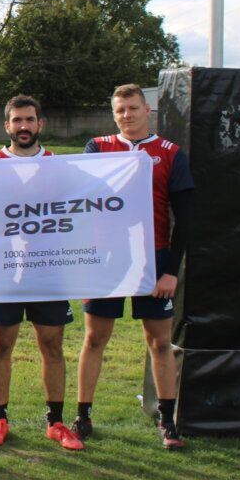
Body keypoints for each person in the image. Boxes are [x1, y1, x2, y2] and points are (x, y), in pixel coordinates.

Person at [76, 84, 193, 449]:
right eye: (120, 110)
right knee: (95, 338)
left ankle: (167, 420)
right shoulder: (97, 148)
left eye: (132, 108)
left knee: (159, 341)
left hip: (152, 258)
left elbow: (185, 218)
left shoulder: (169, 153)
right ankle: (83, 415)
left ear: (147, 110)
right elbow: (80, 200)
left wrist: (170, 271)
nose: (126, 115)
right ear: (113, 115)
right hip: (106, 258)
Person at [0, 96, 82, 450]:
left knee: (52, 344)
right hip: (5, 270)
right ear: (6, 125)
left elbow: (82, 211)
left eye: (29, 120)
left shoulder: (59, 166)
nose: (23, 126)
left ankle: (56, 422)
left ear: (40, 124)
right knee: (1, 344)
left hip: (49, 269)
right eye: (17, 120)